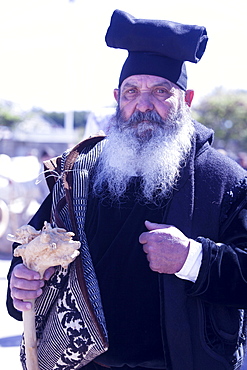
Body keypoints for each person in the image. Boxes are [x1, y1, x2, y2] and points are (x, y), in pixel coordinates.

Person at [6, 9, 247, 370]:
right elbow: (31, 248)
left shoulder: (224, 178)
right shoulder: (81, 170)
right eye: (132, 91)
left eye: (160, 91)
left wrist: (193, 259)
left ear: (187, 99)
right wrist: (20, 279)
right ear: (118, 97)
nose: (143, 104)